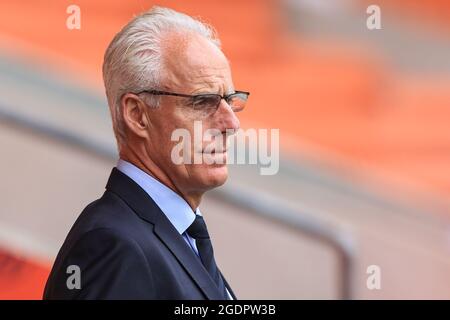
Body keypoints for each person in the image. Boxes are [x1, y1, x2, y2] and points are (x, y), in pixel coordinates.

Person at [43, 6, 249, 299]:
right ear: (138, 115)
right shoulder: (112, 245)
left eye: (231, 100)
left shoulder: (173, 234)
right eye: (203, 101)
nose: (231, 123)